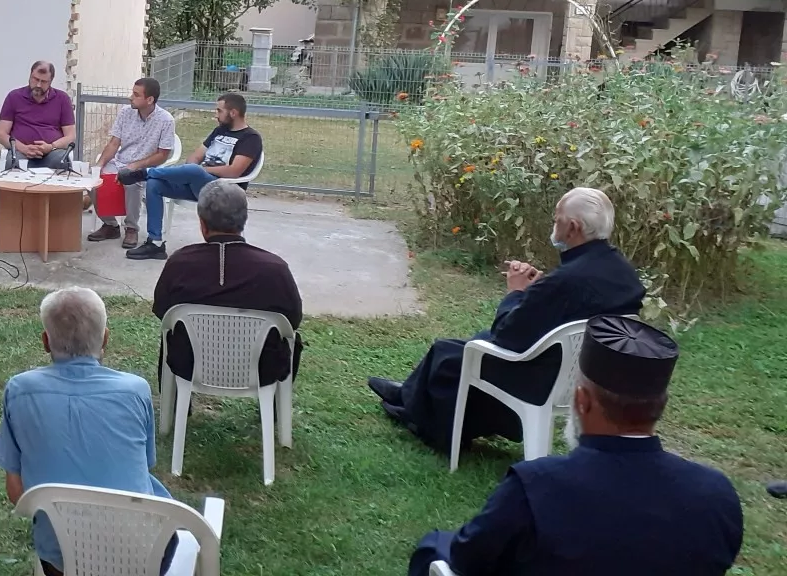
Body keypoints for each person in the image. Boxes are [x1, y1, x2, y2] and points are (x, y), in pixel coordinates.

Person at [409, 314, 744, 576]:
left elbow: (468, 559)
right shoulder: (717, 497)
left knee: (433, 548)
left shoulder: (536, 487)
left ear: (582, 400)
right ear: (660, 404)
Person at [368, 187, 645, 453]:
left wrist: (516, 292)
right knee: (467, 345)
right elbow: (575, 310)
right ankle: (406, 394)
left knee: (449, 352)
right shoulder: (626, 276)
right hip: (585, 379)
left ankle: (415, 410)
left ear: (572, 227)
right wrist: (538, 292)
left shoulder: (564, 281)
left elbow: (506, 336)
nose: (553, 224)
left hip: (538, 379)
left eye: (556, 218)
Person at [0, 287, 176, 576]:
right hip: (144, 556)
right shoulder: (136, 390)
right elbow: (146, 463)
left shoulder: (19, 390)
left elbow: (16, 492)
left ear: (45, 341)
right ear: (105, 338)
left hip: (59, 560)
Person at [152, 181, 302, 386]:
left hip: (189, 366)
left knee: (172, 334)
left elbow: (162, 311)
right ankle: (274, 409)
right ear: (244, 219)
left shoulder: (180, 263)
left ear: (202, 224)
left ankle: (178, 405)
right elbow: (293, 320)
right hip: (261, 370)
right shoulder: (275, 269)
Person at [121, 92, 263, 261]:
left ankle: (145, 173)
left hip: (225, 191)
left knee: (193, 171)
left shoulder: (251, 138)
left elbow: (234, 171)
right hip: (200, 185)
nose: (215, 115)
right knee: (155, 184)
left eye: (219, 111)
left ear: (233, 113)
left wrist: (201, 171)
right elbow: (194, 158)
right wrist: (195, 169)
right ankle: (156, 243)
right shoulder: (219, 131)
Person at [88, 77, 176, 250]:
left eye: (136, 95)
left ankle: (131, 228)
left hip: (146, 168)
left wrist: (137, 165)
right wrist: (99, 165)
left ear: (149, 100)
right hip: (120, 161)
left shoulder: (166, 120)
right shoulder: (125, 113)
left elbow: (163, 155)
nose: (131, 97)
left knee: (132, 182)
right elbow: (114, 143)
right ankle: (111, 225)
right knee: (93, 180)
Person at [0, 61, 76, 170]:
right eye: (35, 79)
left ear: (51, 81)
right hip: (21, 152)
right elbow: (1, 134)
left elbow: (70, 136)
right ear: (30, 76)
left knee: (62, 161)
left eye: (43, 82)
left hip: (52, 153)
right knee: (13, 162)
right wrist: (24, 148)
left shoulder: (62, 99)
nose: (38, 85)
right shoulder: (14, 97)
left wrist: (51, 147)